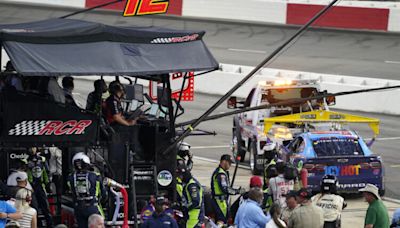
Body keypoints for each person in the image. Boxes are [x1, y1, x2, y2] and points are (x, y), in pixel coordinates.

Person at [67, 152, 106, 228]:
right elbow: (103, 194)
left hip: (78, 208)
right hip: (93, 207)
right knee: (100, 224)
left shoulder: (70, 177)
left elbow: (71, 192)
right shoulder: (95, 176)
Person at [210, 154, 243, 226]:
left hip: (220, 201)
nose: (230, 165)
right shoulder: (221, 174)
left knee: (222, 221)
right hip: (219, 202)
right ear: (224, 162)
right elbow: (225, 189)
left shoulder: (221, 172)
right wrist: (237, 191)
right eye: (229, 163)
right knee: (222, 221)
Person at [26, 147, 52, 227]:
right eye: (30, 148)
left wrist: (48, 185)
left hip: (41, 186)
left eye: (33, 148)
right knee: (34, 208)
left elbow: (47, 172)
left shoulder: (42, 159)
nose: (32, 149)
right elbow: (24, 174)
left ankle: (50, 225)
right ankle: (37, 225)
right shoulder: (26, 160)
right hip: (31, 187)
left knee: (46, 208)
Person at [177, 163, 204, 228]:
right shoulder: (187, 184)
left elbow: (195, 202)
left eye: (180, 175)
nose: (179, 177)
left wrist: (184, 207)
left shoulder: (192, 185)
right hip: (190, 217)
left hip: (194, 218)